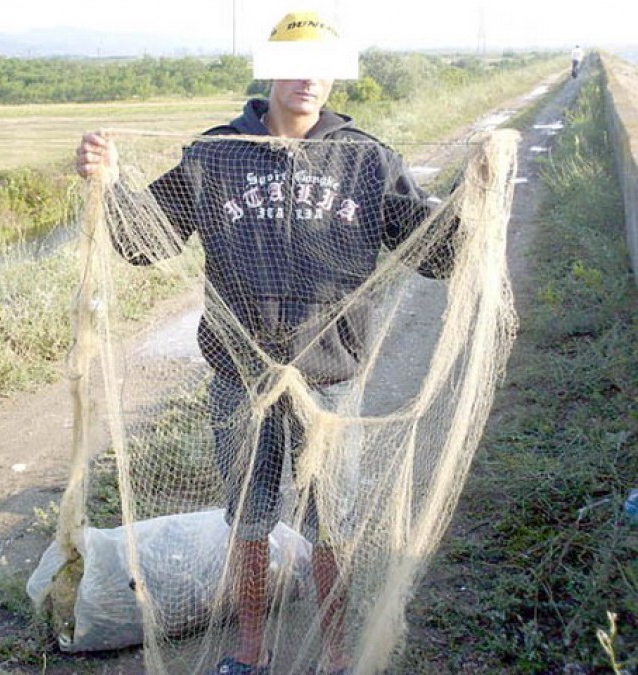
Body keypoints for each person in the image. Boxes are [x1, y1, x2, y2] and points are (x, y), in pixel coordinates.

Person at [76, 10, 455, 675]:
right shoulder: (217, 153)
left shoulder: (366, 160)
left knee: (333, 525)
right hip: (238, 379)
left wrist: (470, 203)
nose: (310, 79)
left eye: (324, 66)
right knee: (248, 524)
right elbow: (148, 241)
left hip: (330, 379)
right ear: (271, 67)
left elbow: (433, 251)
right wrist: (109, 183)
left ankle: (336, 652)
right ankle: (251, 650)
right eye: (297, 63)